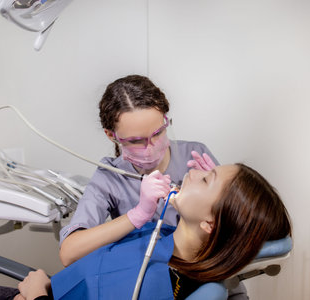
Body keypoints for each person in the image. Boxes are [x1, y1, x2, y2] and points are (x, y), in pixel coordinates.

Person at [13, 163, 292, 300]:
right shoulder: (164, 236)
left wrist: (37, 292)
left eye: (206, 178)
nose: (192, 170)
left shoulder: (158, 285)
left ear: (210, 224)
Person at [59, 74, 219, 264]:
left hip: (206, 272)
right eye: (136, 141)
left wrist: (222, 197)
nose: (151, 147)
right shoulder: (110, 176)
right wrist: (137, 215)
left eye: (158, 133)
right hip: (156, 283)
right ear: (111, 135)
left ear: (165, 120)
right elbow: (69, 254)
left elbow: (241, 231)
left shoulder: (195, 156)